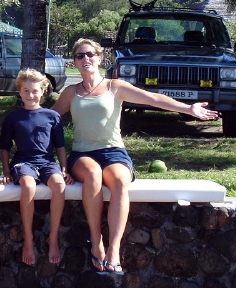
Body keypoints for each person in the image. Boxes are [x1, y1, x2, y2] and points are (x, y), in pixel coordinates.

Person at [52, 38, 219, 274]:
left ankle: (114, 250)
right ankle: (96, 242)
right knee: (92, 174)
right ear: (74, 62)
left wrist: (187, 108)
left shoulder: (114, 86)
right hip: (83, 154)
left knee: (120, 180)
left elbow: (153, 98)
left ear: (99, 58)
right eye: (80, 56)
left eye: (90, 54)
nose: (85, 59)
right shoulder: (71, 92)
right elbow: (48, 119)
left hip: (114, 152)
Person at [0, 69, 73, 265]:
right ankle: (29, 239)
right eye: (26, 91)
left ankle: (53, 237)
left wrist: (64, 169)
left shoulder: (52, 116)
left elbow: (60, 147)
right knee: (29, 186)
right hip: (23, 162)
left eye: (35, 91)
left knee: (59, 185)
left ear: (43, 92)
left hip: (47, 162)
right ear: (19, 92)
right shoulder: (13, 117)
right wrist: (6, 172)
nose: (30, 95)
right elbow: (4, 148)